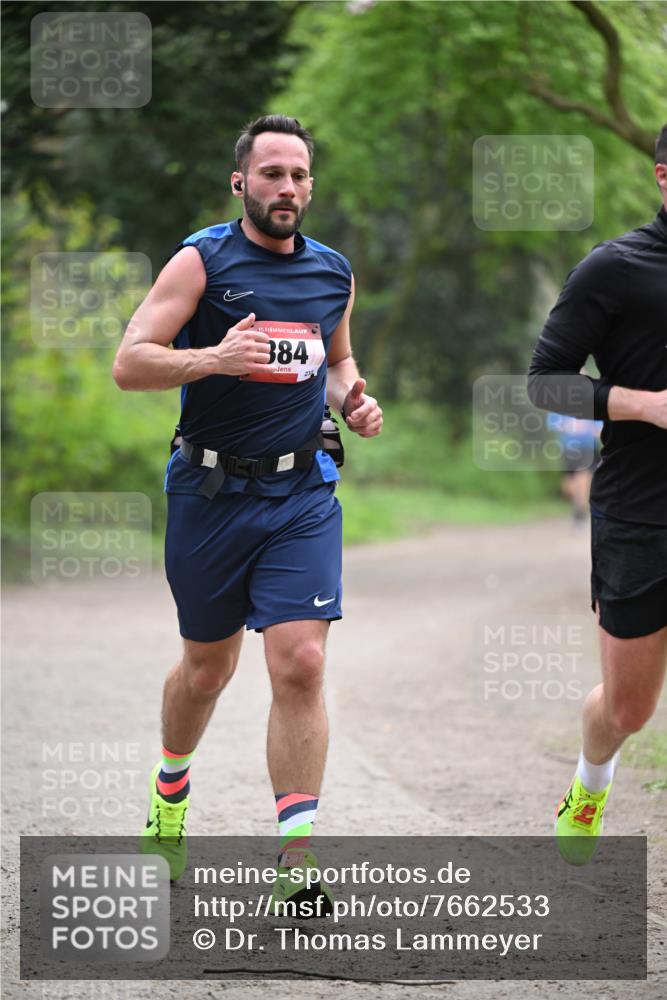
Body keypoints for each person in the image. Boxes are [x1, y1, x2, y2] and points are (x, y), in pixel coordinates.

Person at [112, 116, 383, 906]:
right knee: (206, 670)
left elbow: (335, 361)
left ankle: (296, 868)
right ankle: (170, 792)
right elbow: (131, 362)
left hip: (302, 493)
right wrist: (214, 358)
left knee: (301, 662)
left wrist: (354, 401)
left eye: (298, 175)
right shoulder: (202, 260)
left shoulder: (333, 272)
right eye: (271, 174)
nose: (287, 188)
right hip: (208, 494)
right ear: (242, 182)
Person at [527, 124, 667, 865]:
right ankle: (589, 785)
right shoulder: (613, 268)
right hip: (640, 511)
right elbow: (544, 379)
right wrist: (645, 404)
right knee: (626, 708)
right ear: (662, 176)